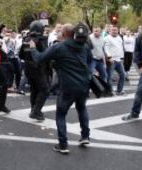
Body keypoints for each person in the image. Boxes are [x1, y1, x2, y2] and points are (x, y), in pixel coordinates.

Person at [29, 23, 92, 154]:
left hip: (67, 87)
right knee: (82, 109)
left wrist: (33, 48)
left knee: (61, 114)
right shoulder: (84, 46)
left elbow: (39, 59)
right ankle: (85, 136)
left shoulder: (59, 47)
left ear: (63, 34)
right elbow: (89, 62)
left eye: (59, 32)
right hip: (83, 85)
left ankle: (63, 144)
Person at [19, 21, 50, 121]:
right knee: (45, 90)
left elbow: (21, 55)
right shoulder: (41, 40)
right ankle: (36, 111)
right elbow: (46, 55)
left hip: (28, 68)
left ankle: (34, 110)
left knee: (34, 90)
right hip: (38, 68)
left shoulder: (26, 40)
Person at [104, 25, 126, 95]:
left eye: (115, 30)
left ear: (117, 31)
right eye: (112, 30)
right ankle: (110, 91)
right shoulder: (107, 38)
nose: (114, 31)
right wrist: (109, 57)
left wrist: (122, 58)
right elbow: (106, 49)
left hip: (119, 60)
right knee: (109, 77)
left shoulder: (119, 38)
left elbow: (121, 48)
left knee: (123, 75)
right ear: (110, 31)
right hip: (111, 60)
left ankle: (119, 90)